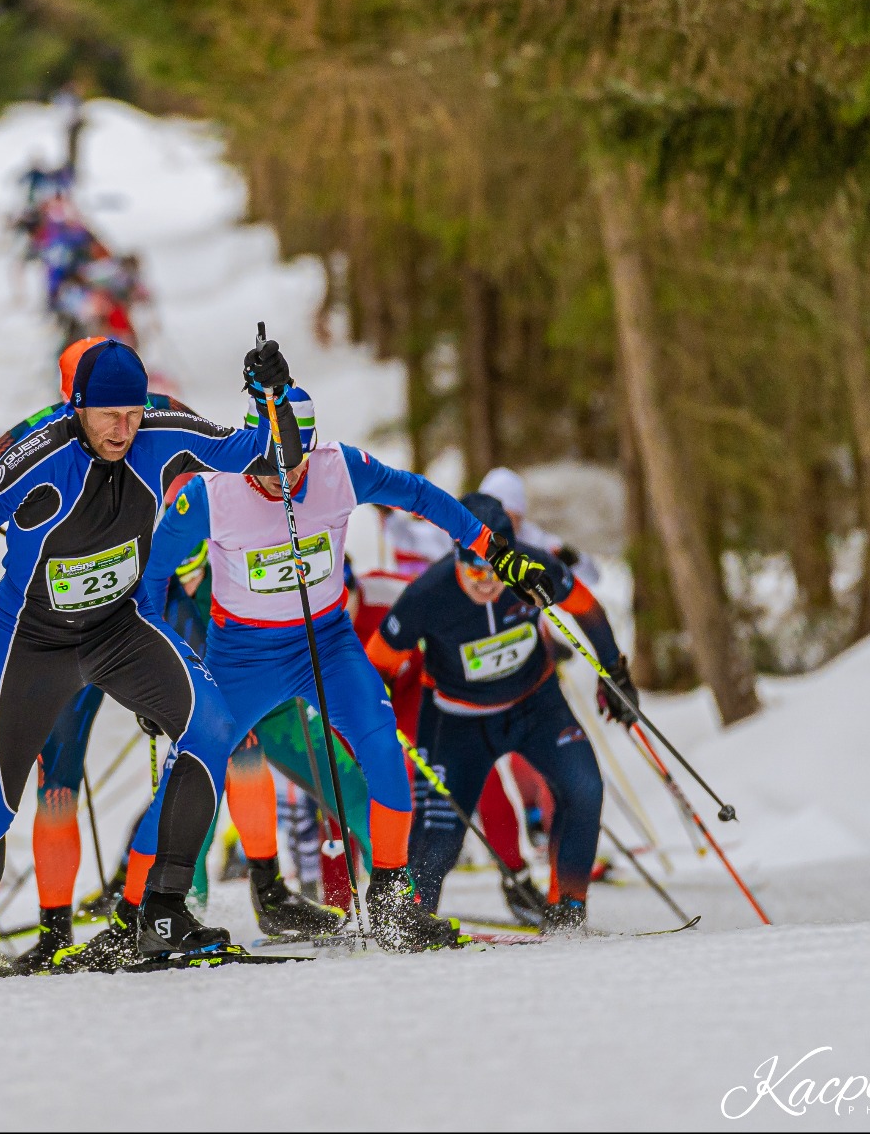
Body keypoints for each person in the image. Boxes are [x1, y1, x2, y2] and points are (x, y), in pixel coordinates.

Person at [0, 336, 306, 983]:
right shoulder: (34, 452)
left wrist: (272, 398)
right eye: (109, 415)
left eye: (132, 413)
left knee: (214, 726)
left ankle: (162, 912)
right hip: (33, 642)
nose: (124, 428)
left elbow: (270, 457)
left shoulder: (160, 427)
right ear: (76, 406)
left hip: (121, 628)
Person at [104, 389, 545, 956]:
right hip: (243, 657)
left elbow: (420, 495)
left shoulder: (342, 470)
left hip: (328, 645)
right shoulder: (209, 493)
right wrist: (153, 666)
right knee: (190, 772)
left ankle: (392, 904)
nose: (280, 479)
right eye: (264, 464)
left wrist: (495, 548)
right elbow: (152, 581)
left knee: (383, 748)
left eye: (293, 463)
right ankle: (132, 916)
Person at [367, 493, 635, 932]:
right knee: (441, 836)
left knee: (585, 789)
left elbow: (585, 606)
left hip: (536, 706)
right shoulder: (427, 595)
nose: (486, 581)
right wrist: (375, 706)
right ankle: (406, 921)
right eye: (473, 568)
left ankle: (566, 912)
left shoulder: (533, 568)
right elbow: (378, 661)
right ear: (456, 555)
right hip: (457, 723)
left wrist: (614, 673)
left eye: (495, 568)